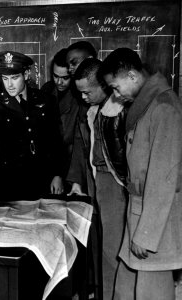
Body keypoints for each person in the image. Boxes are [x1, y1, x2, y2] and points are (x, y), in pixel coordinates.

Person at [101, 48, 182, 300]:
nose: (115, 95)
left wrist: (145, 236)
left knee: (151, 292)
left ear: (133, 76)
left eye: (116, 87)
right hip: (139, 212)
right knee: (125, 289)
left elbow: (163, 179)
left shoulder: (164, 107)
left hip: (154, 224)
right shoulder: (147, 104)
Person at [71, 57, 129, 299]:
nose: (83, 98)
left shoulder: (119, 109)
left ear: (103, 86)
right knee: (101, 250)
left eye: (86, 92)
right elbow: (83, 150)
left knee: (113, 250)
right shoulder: (92, 111)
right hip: (96, 184)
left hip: (114, 186)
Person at [0, 51, 65, 200]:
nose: (9, 84)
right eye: (5, 78)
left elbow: (56, 142)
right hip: (10, 185)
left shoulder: (46, 101)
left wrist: (58, 174)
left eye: (14, 78)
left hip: (42, 181)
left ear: (26, 74)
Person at [41, 48, 79, 188]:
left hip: (69, 168)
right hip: (46, 164)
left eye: (65, 78)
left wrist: (61, 175)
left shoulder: (79, 97)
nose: (59, 82)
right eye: (56, 76)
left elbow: (72, 143)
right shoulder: (46, 90)